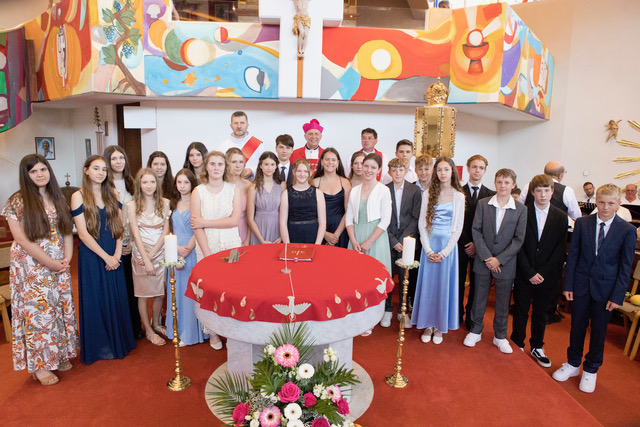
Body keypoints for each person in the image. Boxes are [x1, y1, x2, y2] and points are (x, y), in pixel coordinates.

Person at [552, 184, 636, 393]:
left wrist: (617, 296)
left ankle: (591, 369)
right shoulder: (582, 223)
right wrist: (568, 284)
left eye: (610, 203)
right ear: (596, 202)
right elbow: (573, 255)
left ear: (618, 204)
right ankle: (573, 363)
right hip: (581, 285)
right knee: (576, 326)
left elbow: (625, 266)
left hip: (606, 290)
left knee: (599, 330)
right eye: (601, 202)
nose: (605, 207)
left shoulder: (627, 230)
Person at [3, 154, 78, 385]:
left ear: (49, 171)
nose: (39, 174)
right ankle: (40, 366)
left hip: (58, 262)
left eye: (43, 169)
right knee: (39, 313)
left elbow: (66, 229)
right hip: (32, 265)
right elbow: (21, 239)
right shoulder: (17, 201)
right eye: (33, 171)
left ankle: (58, 354)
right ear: (26, 175)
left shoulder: (58, 197)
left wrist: (67, 258)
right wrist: (49, 262)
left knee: (58, 308)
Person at [71, 155, 135, 364]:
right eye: (96, 168)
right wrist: (106, 257)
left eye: (104, 169)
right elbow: (82, 234)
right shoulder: (78, 196)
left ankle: (119, 341)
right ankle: (100, 345)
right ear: (86, 170)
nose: (101, 173)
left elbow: (119, 226)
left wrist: (116, 254)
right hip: (92, 254)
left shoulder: (113, 193)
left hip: (113, 251)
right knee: (96, 299)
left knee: (116, 296)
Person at [464, 168, 526, 354]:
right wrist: (487, 257)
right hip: (483, 260)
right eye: (499, 182)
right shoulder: (483, 204)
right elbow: (476, 231)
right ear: (495, 183)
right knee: (479, 297)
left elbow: (518, 239)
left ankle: (500, 336)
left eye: (507, 183)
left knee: (502, 301)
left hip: (505, 263)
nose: (502, 186)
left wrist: (499, 260)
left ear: (513, 185)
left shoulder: (521, 209)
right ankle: (475, 330)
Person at [511, 175, 567, 367]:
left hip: (547, 274)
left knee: (541, 312)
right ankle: (517, 342)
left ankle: (537, 346)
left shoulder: (560, 216)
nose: (543, 194)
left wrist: (542, 272)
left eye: (546, 190)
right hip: (524, 271)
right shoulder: (522, 212)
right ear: (533, 192)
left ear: (552, 192)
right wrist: (529, 272)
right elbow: (517, 244)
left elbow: (560, 248)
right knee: (520, 310)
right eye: (539, 190)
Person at [191, 151, 242, 349]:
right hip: (206, 246)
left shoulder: (233, 189)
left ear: (225, 167)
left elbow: (234, 221)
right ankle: (213, 333)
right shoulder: (198, 192)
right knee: (210, 290)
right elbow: (196, 226)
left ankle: (232, 331)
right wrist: (208, 255)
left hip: (231, 246)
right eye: (212, 164)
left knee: (232, 289)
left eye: (220, 164)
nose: (216, 168)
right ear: (206, 167)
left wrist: (205, 222)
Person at [412, 157, 465, 344]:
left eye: (446, 169)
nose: (443, 173)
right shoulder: (428, 193)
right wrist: (427, 250)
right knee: (429, 286)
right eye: (440, 170)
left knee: (442, 287)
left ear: (452, 172)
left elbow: (458, 228)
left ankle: (439, 326)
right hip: (430, 245)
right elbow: (421, 223)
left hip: (447, 250)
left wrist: (444, 252)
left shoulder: (459, 196)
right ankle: (427, 324)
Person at [346, 153, 392, 336]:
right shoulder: (355, 190)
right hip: (356, 237)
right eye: (366, 166)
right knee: (356, 280)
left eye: (373, 167)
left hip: (375, 238)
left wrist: (369, 241)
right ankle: (357, 317)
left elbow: (386, 219)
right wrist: (353, 240)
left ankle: (370, 319)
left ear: (379, 170)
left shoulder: (383, 190)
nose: (368, 170)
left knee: (373, 281)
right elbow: (349, 217)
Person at [104, 145, 144, 340]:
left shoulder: (133, 184)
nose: (118, 162)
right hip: (112, 243)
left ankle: (135, 326)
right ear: (107, 162)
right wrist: (119, 245)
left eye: (121, 158)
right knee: (115, 289)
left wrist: (131, 243)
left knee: (131, 288)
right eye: (113, 158)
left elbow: (139, 214)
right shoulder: (104, 185)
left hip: (132, 242)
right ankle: (118, 329)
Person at [127, 168, 170, 346]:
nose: (149, 185)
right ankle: (149, 331)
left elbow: (166, 231)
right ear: (139, 184)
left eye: (152, 182)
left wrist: (152, 255)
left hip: (160, 253)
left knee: (160, 292)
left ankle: (156, 323)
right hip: (140, 253)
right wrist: (145, 258)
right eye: (145, 182)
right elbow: (135, 234)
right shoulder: (131, 205)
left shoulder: (165, 203)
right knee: (143, 294)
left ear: (157, 184)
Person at [167, 168, 207, 345]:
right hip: (174, 248)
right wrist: (176, 248)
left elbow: (199, 227)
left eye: (186, 182)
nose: (182, 186)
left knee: (191, 292)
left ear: (192, 184)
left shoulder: (197, 202)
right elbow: (168, 229)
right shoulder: (171, 203)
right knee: (176, 291)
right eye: (179, 182)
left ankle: (193, 332)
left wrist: (188, 248)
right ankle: (178, 329)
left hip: (193, 248)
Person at [381, 158, 421, 329]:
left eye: (401, 170)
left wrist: (403, 240)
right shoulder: (384, 190)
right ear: (389, 172)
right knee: (387, 276)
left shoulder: (414, 190)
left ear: (406, 171)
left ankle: (402, 311)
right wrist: (393, 241)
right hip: (388, 239)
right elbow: (381, 218)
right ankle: (387, 309)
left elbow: (416, 217)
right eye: (394, 170)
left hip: (407, 241)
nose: (397, 173)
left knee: (405, 278)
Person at [458, 155, 495, 330]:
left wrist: (476, 244)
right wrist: (467, 243)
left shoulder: (491, 195)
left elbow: (489, 225)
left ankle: (472, 318)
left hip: (481, 246)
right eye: (474, 167)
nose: (477, 170)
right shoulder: (458, 191)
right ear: (468, 168)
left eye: (481, 167)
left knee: (477, 285)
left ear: (485, 170)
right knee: (458, 282)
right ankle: (456, 314)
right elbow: (456, 221)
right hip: (460, 244)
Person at [280, 159, 326, 244]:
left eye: (305, 171)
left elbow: (322, 223)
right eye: (299, 171)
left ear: (310, 173)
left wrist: (317, 244)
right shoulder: (285, 194)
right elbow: (283, 222)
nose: (302, 174)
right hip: (292, 235)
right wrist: (287, 244)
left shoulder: (318, 193)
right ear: (294, 172)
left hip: (313, 235)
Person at [313, 148, 351, 248]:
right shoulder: (315, 182)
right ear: (321, 162)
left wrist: (336, 236)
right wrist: (324, 234)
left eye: (333, 160)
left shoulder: (345, 182)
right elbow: (311, 212)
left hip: (340, 230)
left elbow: (348, 211)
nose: (330, 162)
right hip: (319, 230)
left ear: (338, 162)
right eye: (327, 159)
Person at [247, 151, 285, 245]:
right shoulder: (253, 187)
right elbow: (250, 218)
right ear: (260, 166)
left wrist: (282, 235)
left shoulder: (282, 185)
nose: (269, 168)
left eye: (272, 164)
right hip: (259, 229)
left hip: (277, 229)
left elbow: (284, 213)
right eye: (266, 164)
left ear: (276, 166)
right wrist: (261, 240)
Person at [218, 111, 265, 180]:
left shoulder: (257, 145)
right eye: (236, 123)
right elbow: (219, 167)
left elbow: (265, 165)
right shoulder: (223, 146)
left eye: (242, 123)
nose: (239, 126)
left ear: (247, 125)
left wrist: (252, 171)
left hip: (252, 184)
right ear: (231, 126)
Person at [226, 147, 252, 246]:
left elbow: (251, 216)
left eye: (241, 162)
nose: (238, 166)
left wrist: (247, 239)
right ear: (227, 163)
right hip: (225, 232)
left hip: (244, 231)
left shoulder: (249, 185)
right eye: (234, 162)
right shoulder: (222, 185)